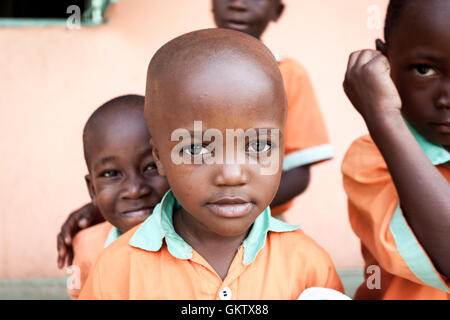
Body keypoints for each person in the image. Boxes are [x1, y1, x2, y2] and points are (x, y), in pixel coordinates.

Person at [79, 28, 343, 299]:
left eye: (260, 145)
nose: (231, 175)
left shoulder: (310, 268)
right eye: (196, 149)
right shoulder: (116, 271)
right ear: (159, 157)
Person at [342, 0, 450, 299]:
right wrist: (383, 117)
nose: (446, 98)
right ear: (384, 61)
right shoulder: (372, 158)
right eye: (424, 69)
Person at [213, 0, 333, 215]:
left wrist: (235, 208)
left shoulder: (288, 75)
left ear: (277, 11)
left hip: (264, 219)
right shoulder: (179, 73)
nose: (238, 4)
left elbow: (297, 173)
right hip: (191, 222)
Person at [66, 95, 169, 299]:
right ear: (92, 190)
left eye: (151, 167)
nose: (134, 190)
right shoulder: (86, 247)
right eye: (111, 174)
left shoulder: (200, 243)